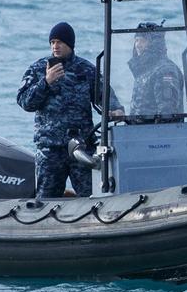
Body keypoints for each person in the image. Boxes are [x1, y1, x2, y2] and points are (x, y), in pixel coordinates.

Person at [16, 22, 118, 198]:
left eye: (60, 42)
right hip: (50, 148)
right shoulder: (38, 69)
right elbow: (25, 102)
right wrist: (46, 82)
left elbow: (106, 97)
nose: (55, 46)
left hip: (80, 147)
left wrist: (116, 109)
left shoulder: (86, 70)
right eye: (52, 42)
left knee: (92, 197)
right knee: (45, 200)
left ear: (70, 44)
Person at [128, 22, 185, 122]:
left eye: (143, 41)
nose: (138, 45)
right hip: (139, 132)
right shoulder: (145, 70)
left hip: (157, 134)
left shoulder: (164, 70)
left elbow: (167, 112)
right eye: (136, 40)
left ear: (154, 43)